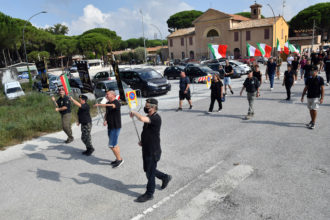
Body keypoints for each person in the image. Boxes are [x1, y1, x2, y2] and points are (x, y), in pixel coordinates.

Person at [130, 98, 172, 203]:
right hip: (146, 148)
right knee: (148, 171)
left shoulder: (156, 118)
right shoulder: (149, 116)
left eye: (147, 106)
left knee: (150, 173)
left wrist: (134, 113)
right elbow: (146, 131)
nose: (146, 107)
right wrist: (143, 141)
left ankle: (149, 194)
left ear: (153, 107)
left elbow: (142, 119)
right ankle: (165, 177)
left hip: (153, 150)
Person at [95, 90, 124, 168]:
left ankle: (119, 160)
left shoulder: (116, 102)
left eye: (107, 94)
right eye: (106, 94)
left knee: (112, 145)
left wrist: (100, 104)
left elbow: (112, 106)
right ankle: (119, 158)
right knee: (115, 144)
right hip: (110, 126)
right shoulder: (108, 103)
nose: (106, 95)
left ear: (113, 95)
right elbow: (107, 113)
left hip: (115, 126)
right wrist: (105, 120)